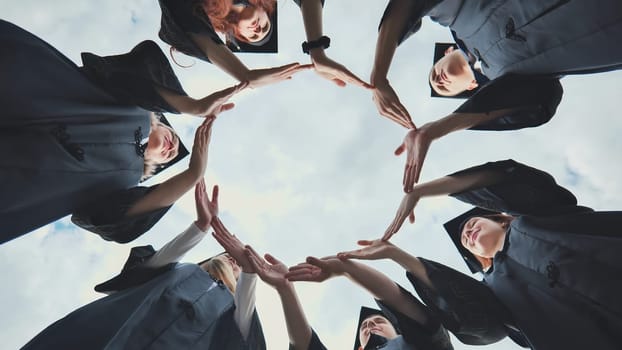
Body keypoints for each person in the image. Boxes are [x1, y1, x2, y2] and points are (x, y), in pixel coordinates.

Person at [0, 20, 245, 244]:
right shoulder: (132, 105)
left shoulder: (123, 182)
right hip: (22, 91)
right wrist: (189, 104)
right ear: (159, 120)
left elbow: (111, 222)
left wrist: (193, 174)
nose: (171, 148)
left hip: (17, 177)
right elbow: (135, 68)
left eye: (168, 157)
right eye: (172, 137)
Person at [371, 0, 622, 190]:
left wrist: (379, 75)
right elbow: (541, 100)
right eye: (442, 88)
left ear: (447, 51)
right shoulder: (508, 84)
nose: (438, 80)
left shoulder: (459, 16)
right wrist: (435, 129)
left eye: (433, 73)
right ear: (470, 89)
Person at [381, 159, 622, 349]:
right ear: (479, 258)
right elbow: (471, 317)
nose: (468, 232)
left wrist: (422, 191)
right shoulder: (493, 291)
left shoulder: (538, 217)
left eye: (473, 223)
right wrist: (397, 255)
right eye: (466, 240)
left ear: (501, 219)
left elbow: (514, 179)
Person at [22, 179, 269, 349]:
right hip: (106, 332)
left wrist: (250, 271)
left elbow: (246, 332)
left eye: (236, 264)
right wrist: (200, 227)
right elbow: (160, 260)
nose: (231, 260)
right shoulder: (177, 271)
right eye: (228, 255)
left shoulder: (232, 314)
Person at [158, 0, 372, 90]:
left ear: (237, 33)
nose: (259, 29)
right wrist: (317, 49)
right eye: (266, 26)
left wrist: (244, 75)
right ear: (265, 9)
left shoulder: (198, 9)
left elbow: (181, 22)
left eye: (253, 36)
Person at [287, 252, 453, 349]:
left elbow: (400, 301)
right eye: (365, 326)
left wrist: (347, 268)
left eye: (379, 320)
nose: (371, 325)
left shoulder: (422, 344)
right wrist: (285, 287)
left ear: (400, 330)